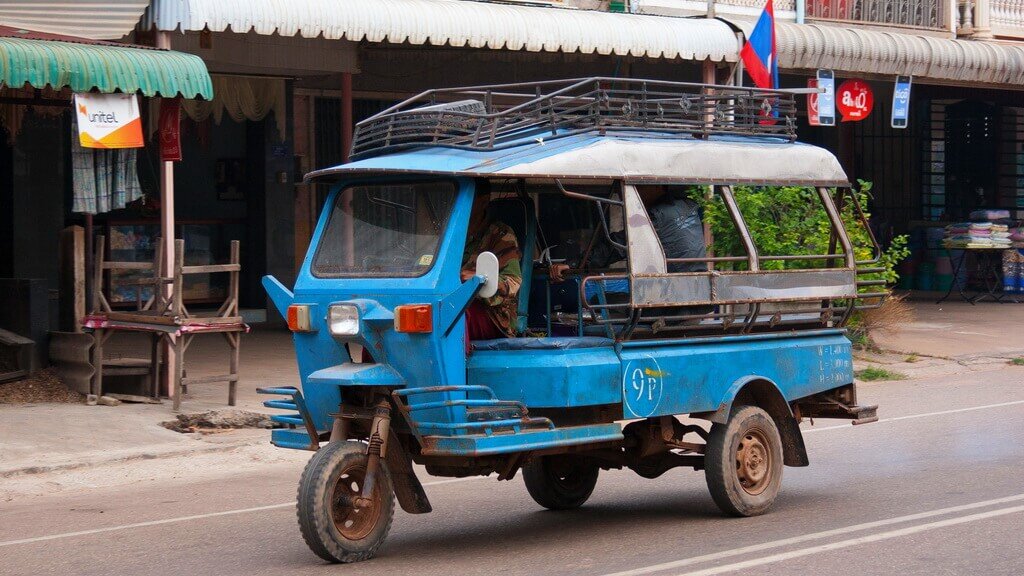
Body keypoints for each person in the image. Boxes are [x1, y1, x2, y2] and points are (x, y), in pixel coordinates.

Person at [462, 192, 523, 341]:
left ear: (483, 200)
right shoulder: (449, 232)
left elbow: (513, 282)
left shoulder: (500, 235)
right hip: (448, 299)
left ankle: (455, 364)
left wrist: (480, 280)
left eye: (466, 195)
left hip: (493, 313)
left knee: (455, 316)